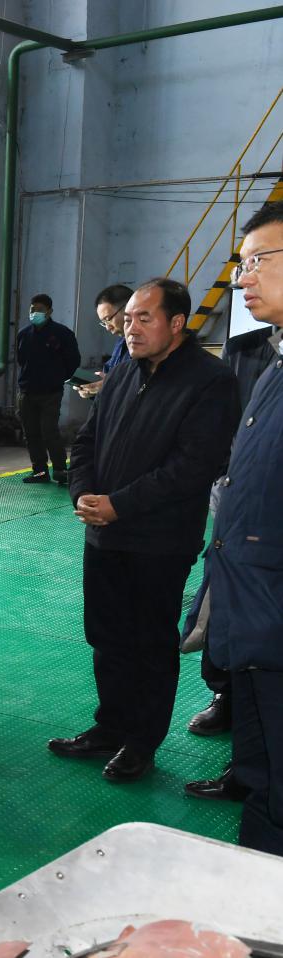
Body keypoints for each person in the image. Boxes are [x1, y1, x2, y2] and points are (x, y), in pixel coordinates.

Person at [49, 278, 238, 783]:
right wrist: (83, 494)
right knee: (106, 636)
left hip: (159, 542)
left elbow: (192, 467)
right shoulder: (123, 374)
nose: (130, 328)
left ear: (177, 323)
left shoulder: (210, 382)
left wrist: (120, 505)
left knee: (150, 644)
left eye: (143, 318)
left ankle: (141, 742)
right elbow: (86, 441)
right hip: (104, 533)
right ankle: (110, 727)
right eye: (128, 318)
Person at [202, 200, 283, 853]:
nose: (241, 278)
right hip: (255, 613)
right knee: (261, 774)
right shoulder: (271, 364)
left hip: (275, 612)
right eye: (240, 264)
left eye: (257, 261)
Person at [181, 321, 283, 802]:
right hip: (239, 522)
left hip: (268, 545)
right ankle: (246, 769)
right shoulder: (251, 353)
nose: (243, 284)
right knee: (236, 643)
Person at [16, 293, 81, 484]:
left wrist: (58, 377)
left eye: (40, 310)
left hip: (51, 392)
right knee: (31, 433)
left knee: (49, 432)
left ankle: (60, 470)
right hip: (27, 392)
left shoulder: (62, 334)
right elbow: (21, 360)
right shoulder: (24, 334)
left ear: (49, 311)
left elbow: (73, 360)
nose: (35, 313)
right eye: (32, 309)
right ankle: (39, 471)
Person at [74, 284, 134, 400]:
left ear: (128, 308)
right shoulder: (121, 342)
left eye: (108, 319)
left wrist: (109, 386)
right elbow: (108, 375)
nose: (107, 327)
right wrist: (92, 389)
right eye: (104, 323)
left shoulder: (150, 345)